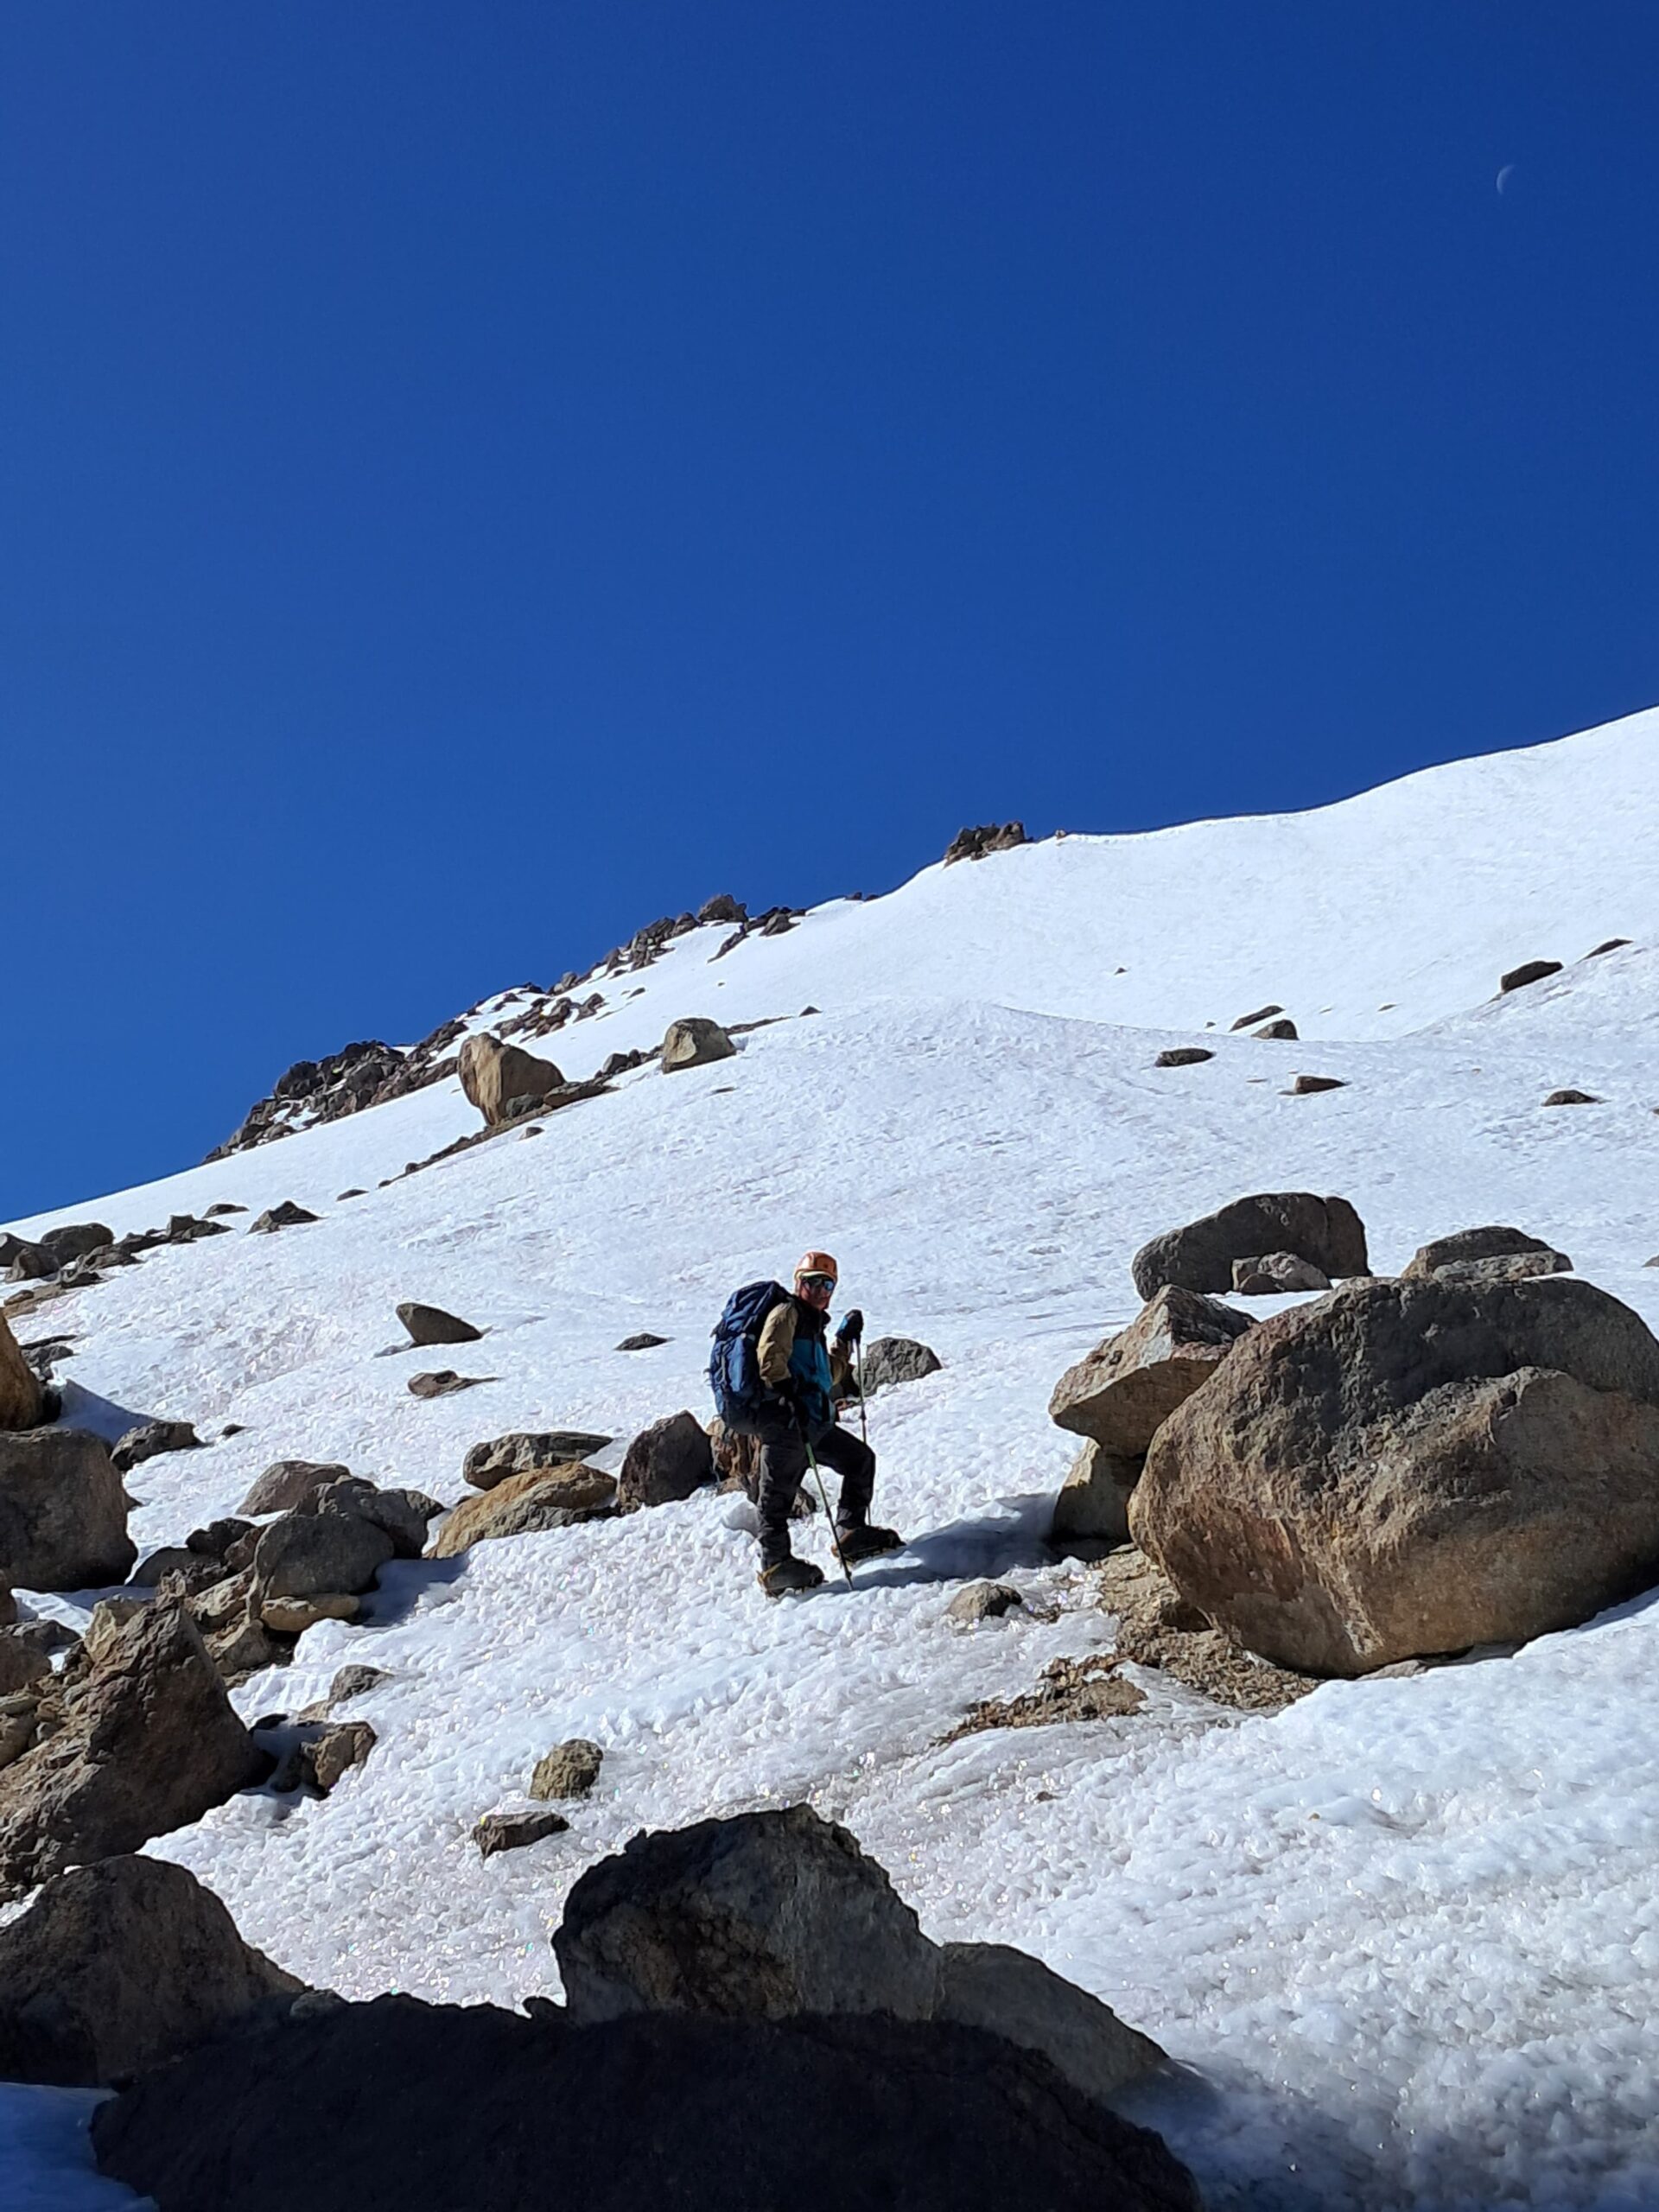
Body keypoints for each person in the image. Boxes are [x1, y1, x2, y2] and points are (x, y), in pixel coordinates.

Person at [752, 1251, 903, 1594]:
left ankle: (850, 1532)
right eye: (813, 1282)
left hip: (813, 1422)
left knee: (860, 1460)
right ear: (798, 1283)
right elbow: (769, 1358)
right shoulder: (787, 1313)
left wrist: (843, 1342)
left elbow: (826, 1375)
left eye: (828, 1283)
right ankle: (775, 1568)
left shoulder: (812, 1324)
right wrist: (788, 1394)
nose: (821, 1290)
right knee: (775, 1499)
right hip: (786, 1425)